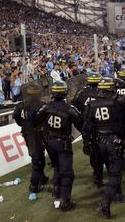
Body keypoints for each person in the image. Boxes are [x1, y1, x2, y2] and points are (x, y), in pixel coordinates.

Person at [82, 76, 125, 219]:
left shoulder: (92, 104)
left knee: (109, 169)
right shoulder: (118, 101)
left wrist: (87, 142)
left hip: (99, 142)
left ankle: (118, 193)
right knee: (116, 173)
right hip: (114, 141)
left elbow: (87, 127)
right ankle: (105, 202)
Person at [34, 80, 82, 211]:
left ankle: (56, 189)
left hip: (50, 142)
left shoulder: (46, 107)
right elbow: (81, 125)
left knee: (57, 167)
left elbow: (35, 121)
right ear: (65, 92)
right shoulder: (69, 109)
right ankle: (65, 201)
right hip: (63, 143)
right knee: (67, 173)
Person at [72, 72, 104, 187]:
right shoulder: (102, 93)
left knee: (93, 153)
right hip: (101, 126)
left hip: (87, 127)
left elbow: (74, 107)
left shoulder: (81, 94)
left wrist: (82, 121)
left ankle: (97, 177)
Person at [13, 99, 49, 193]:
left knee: (37, 156)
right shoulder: (41, 104)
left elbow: (17, 119)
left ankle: (41, 177)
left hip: (27, 133)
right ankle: (34, 185)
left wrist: (25, 126)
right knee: (37, 159)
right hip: (37, 134)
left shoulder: (20, 105)